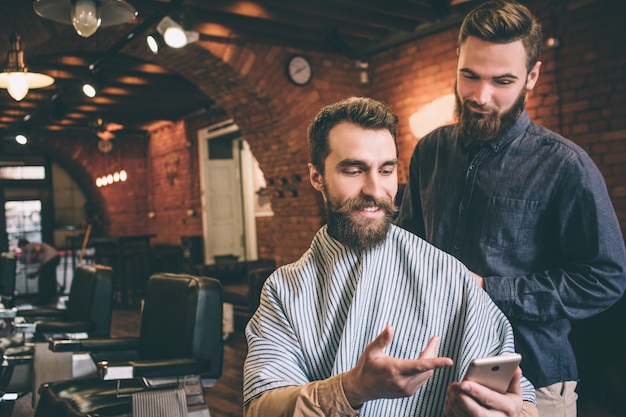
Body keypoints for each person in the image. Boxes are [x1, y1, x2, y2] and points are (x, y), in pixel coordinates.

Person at [395, 1, 626, 416]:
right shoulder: (428, 151)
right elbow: (408, 246)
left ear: (531, 76)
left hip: (533, 376)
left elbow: (605, 278)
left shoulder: (565, 165)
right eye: (469, 76)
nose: (481, 96)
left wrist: (489, 289)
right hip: (437, 372)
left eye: (502, 81)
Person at [243, 97, 538, 417]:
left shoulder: (445, 272)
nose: (375, 189)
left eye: (386, 170)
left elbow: (519, 397)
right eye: (354, 170)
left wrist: (510, 412)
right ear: (317, 177)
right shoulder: (284, 290)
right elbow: (260, 406)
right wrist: (353, 388)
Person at [17, 238, 60, 305]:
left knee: (43, 280)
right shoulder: (32, 249)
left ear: (23, 245)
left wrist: (32, 258)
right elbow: (42, 265)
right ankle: (50, 298)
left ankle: (42, 300)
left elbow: (39, 248)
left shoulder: (31, 246)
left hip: (51, 259)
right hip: (54, 258)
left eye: (21, 248)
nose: (22, 250)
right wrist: (36, 273)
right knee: (49, 279)